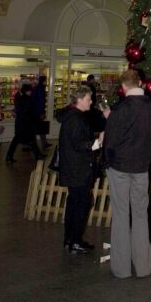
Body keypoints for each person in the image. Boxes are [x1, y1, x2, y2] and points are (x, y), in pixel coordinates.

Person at [102, 68, 151, 279]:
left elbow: (110, 140)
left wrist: (106, 161)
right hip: (141, 166)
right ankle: (144, 265)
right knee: (140, 214)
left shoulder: (121, 109)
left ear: (123, 86)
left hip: (120, 166)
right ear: (140, 83)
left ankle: (122, 268)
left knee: (120, 214)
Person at [56, 85, 96, 253]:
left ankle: (70, 239)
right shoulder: (76, 118)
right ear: (79, 100)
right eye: (88, 99)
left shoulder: (71, 116)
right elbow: (79, 144)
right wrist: (96, 144)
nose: (91, 102)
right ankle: (75, 241)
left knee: (74, 203)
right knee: (81, 204)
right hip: (79, 168)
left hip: (72, 168)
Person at [6, 83, 44, 163]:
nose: (31, 92)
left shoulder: (20, 99)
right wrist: (35, 119)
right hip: (26, 124)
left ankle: (9, 156)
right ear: (27, 91)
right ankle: (38, 155)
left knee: (17, 140)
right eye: (30, 91)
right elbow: (30, 112)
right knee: (31, 140)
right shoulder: (28, 99)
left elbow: (20, 111)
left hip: (20, 123)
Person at [31, 75, 50, 150]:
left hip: (35, 112)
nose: (46, 82)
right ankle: (40, 144)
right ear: (43, 81)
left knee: (40, 128)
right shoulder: (40, 89)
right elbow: (40, 102)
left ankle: (43, 143)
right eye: (46, 81)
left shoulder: (36, 88)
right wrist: (42, 113)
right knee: (40, 128)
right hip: (38, 113)